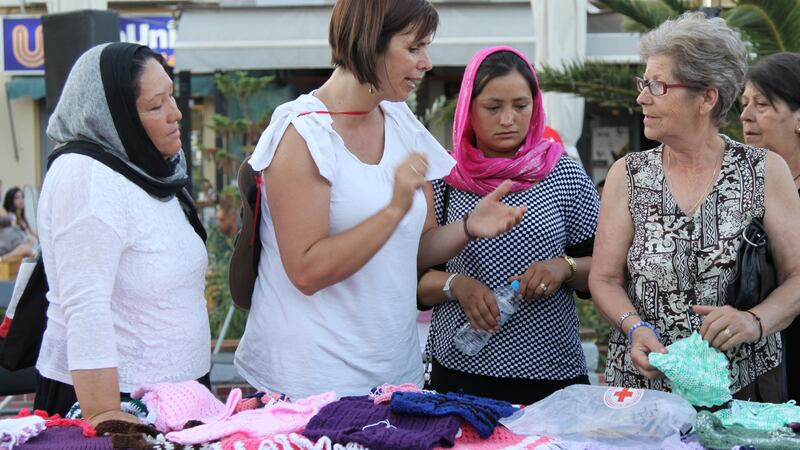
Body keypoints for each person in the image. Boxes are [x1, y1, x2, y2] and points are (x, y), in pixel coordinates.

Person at [234, 0, 526, 399]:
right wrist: (392, 210)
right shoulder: (303, 134)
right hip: (309, 382)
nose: (426, 63)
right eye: (414, 48)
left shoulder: (401, 121)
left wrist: (468, 228)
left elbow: (417, 250)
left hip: (394, 373)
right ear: (370, 43)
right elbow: (307, 270)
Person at [589, 12, 800, 402]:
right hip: (645, 392)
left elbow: (797, 278)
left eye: (658, 85)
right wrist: (633, 327)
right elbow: (604, 279)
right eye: (643, 82)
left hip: (738, 395)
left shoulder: (765, 172)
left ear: (707, 97)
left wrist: (754, 321)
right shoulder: (628, 175)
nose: (642, 97)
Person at [34, 42, 210, 423]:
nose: (175, 114)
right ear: (113, 116)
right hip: (117, 400)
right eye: (156, 105)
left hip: (175, 396)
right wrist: (107, 417)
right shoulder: (86, 176)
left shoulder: (149, 170)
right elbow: (85, 304)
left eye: (171, 98)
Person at [416, 47, 599, 405]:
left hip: (550, 372)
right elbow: (416, 282)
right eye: (493, 107)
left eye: (520, 105)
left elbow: (604, 271)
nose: (508, 119)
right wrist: (459, 286)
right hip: (459, 372)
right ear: (468, 107)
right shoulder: (444, 178)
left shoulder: (563, 173)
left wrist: (564, 267)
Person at [741, 52, 800, 402]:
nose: (746, 115)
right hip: (754, 357)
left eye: (761, 104)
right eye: (745, 103)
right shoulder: (742, 185)